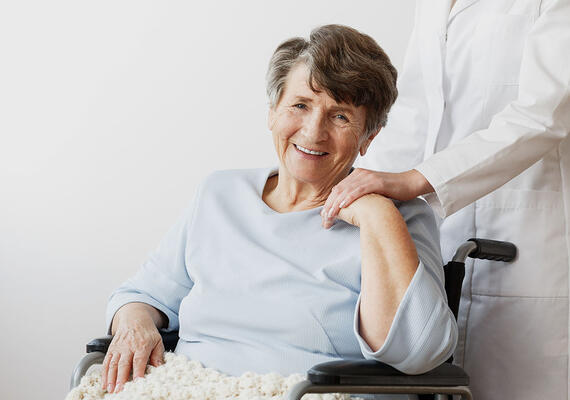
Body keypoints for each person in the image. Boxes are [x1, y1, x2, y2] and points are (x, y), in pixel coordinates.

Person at [100, 25, 458, 395]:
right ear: (273, 112)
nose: (313, 131)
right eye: (300, 105)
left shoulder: (399, 216)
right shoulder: (219, 194)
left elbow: (419, 353)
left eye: (340, 117)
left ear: (369, 136)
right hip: (189, 387)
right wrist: (135, 325)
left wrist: (377, 216)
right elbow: (143, 294)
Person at [321, 1, 570, 399]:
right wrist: (356, 189)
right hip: (434, 230)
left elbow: (546, 113)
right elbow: (415, 112)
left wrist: (416, 180)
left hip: (524, 236)